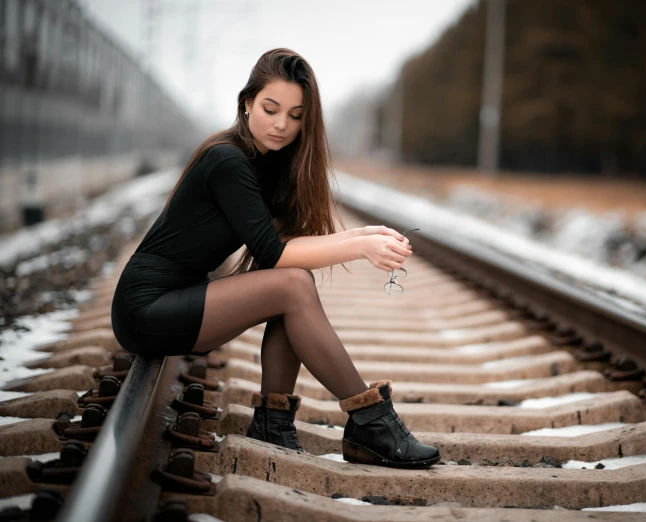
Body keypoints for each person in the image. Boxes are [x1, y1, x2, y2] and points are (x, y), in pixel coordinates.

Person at [110, 48, 440, 468]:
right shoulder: (226, 159)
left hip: (181, 296)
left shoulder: (267, 166)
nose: (282, 124)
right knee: (293, 283)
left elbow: (284, 250)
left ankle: (274, 422)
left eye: (296, 114)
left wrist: (362, 234)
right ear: (247, 103)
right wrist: (359, 244)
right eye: (270, 108)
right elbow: (274, 253)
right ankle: (370, 420)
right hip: (146, 306)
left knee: (293, 284)